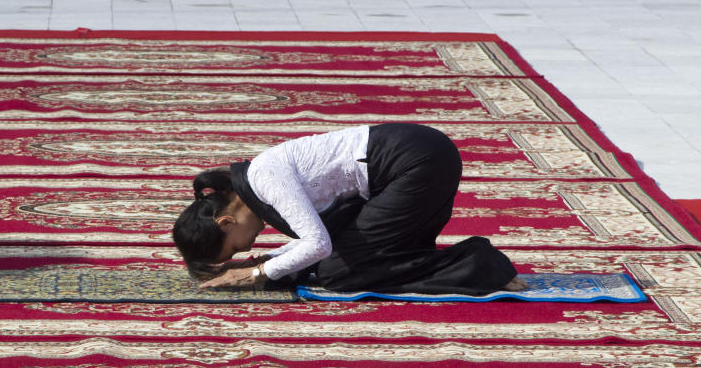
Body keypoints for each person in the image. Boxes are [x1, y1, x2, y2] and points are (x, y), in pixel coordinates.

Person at [174, 123, 528, 295]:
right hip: (413, 164)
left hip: (416, 165)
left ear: (225, 221)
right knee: (355, 263)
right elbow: (317, 233)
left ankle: (479, 265)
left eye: (236, 246)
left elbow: (318, 245)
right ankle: (469, 267)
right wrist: (266, 265)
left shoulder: (264, 179)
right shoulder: (255, 184)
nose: (248, 248)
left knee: (337, 273)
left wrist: (254, 273)